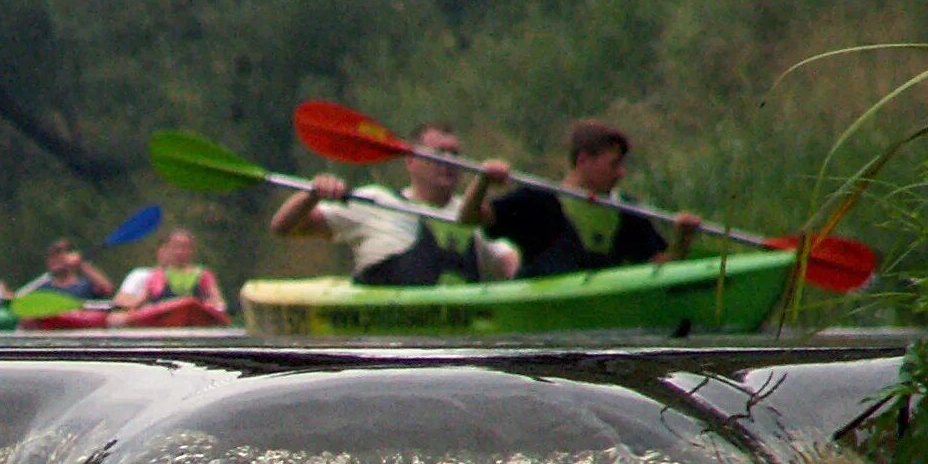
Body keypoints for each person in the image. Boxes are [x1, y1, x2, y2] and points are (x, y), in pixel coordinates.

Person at [269, 122, 519, 285]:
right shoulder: (376, 201)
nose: (449, 161)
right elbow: (284, 226)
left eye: (455, 154)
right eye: (439, 153)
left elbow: (511, 262)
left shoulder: (474, 215)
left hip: (453, 348)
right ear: (411, 161)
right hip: (388, 347)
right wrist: (312, 195)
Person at [459, 119, 699, 278]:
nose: (621, 173)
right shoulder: (537, 201)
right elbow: (468, 218)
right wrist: (484, 181)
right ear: (584, 160)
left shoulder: (625, 210)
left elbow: (662, 266)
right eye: (613, 165)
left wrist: (683, 239)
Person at [111, 228, 227, 320]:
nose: (180, 251)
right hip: (164, 324)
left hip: (194, 324)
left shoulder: (204, 275)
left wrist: (212, 307)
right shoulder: (156, 275)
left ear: (192, 250)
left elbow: (218, 302)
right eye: (176, 247)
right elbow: (139, 301)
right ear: (168, 249)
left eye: (185, 247)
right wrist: (123, 309)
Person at [34, 238, 113, 301]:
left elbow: (107, 288)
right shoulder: (43, 289)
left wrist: (81, 264)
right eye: (51, 256)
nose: (54, 260)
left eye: (59, 254)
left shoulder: (85, 286)